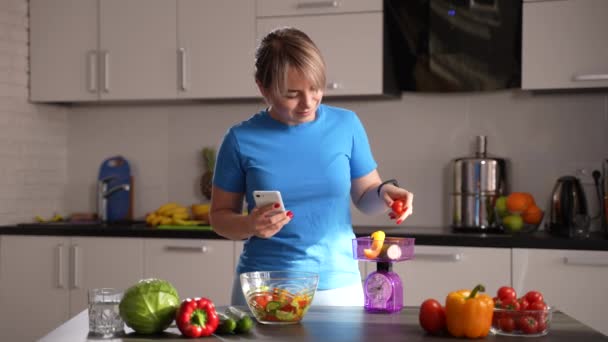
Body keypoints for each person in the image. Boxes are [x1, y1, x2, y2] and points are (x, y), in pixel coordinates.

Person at [209, 27, 414, 306]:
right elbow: (219, 217)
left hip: (339, 287)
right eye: (292, 94)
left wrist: (386, 193)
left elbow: (366, 196)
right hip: (266, 289)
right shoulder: (240, 139)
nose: (308, 103)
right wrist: (249, 224)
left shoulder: (347, 125)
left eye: (316, 88)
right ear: (263, 88)